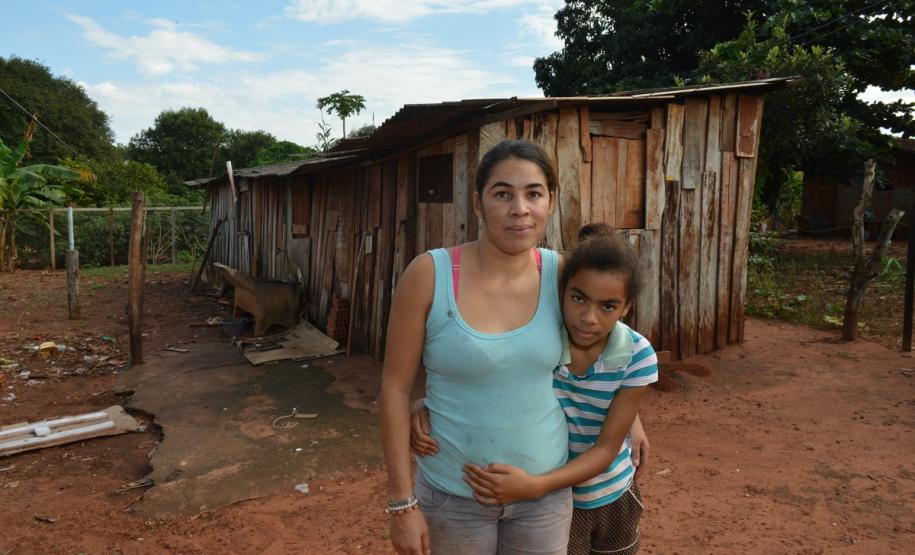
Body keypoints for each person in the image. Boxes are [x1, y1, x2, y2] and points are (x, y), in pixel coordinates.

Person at [379, 139, 648, 555]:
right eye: (502, 193)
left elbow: (611, 343)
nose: (519, 208)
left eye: (533, 193)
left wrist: (631, 420)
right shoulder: (429, 275)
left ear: (550, 201)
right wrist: (402, 503)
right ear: (477, 203)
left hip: (543, 500)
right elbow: (394, 388)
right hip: (453, 497)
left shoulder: (562, 275)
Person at [412, 223, 658, 555]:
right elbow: (493, 376)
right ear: (562, 292)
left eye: (608, 306)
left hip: (608, 491)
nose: (588, 317)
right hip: (559, 500)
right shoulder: (543, 340)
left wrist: (534, 486)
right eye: (578, 298)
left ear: (627, 307)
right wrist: (428, 403)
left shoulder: (637, 356)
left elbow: (606, 448)